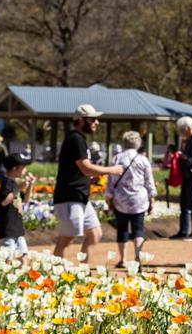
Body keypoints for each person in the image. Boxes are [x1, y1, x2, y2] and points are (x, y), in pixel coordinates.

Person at [53, 105, 123, 262]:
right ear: (80, 120)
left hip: (80, 197)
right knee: (67, 239)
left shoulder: (79, 139)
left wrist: (92, 178)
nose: (96, 122)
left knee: (95, 233)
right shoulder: (75, 139)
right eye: (92, 119)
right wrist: (112, 170)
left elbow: (81, 170)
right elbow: (86, 168)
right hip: (69, 197)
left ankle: (82, 271)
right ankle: (53, 274)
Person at [106, 131, 157, 267]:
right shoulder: (143, 159)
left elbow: (110, 180)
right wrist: (152, 199)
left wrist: (109, 198)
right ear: (138, 143)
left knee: (122, 229)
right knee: (138, 229)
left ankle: (123, 259)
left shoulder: (116, 159)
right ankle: (137, 259)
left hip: (120, 199)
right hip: (139, 200)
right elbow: (149, 182)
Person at [0, 153, 35, 264]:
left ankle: (22, 278)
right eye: (23, 168)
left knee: (23, 255)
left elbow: (26, 200)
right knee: (6, 257)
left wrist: (30, 185)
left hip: (17, 227)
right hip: (8, 227)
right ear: (15, 169)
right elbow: (4, 202)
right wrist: (18, 188)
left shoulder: (14, 183)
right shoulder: (6, 183)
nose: (25, 170)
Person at [171, 117, 192, 241]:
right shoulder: (189, 139)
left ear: (188, 128)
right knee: (184, 205)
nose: (181, 131)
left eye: (182, 129)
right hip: (187, 176)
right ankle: (183, 231)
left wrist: (184, 157)